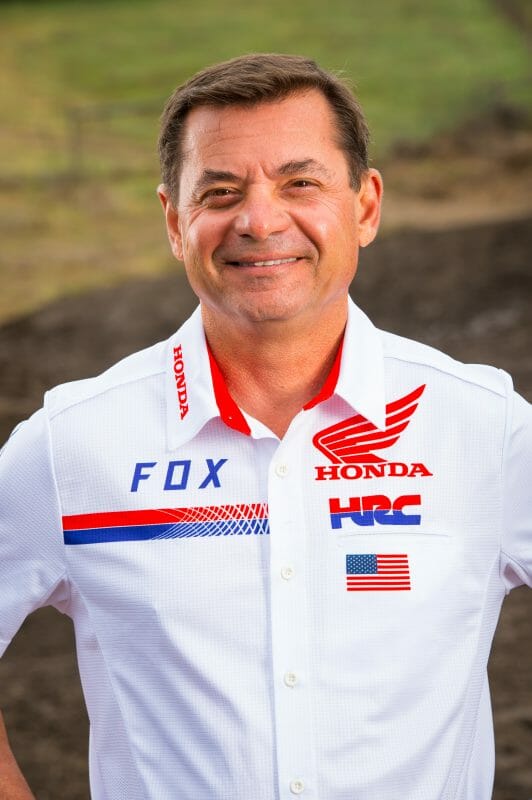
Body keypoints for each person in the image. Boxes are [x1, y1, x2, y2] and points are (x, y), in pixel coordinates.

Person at [0, 53, 530, 800]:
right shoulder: (70, 445)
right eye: (220, 191)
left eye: (299, 183)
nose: (258, 220)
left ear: (366, 206)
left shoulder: (487, 429)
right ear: (175, 222)